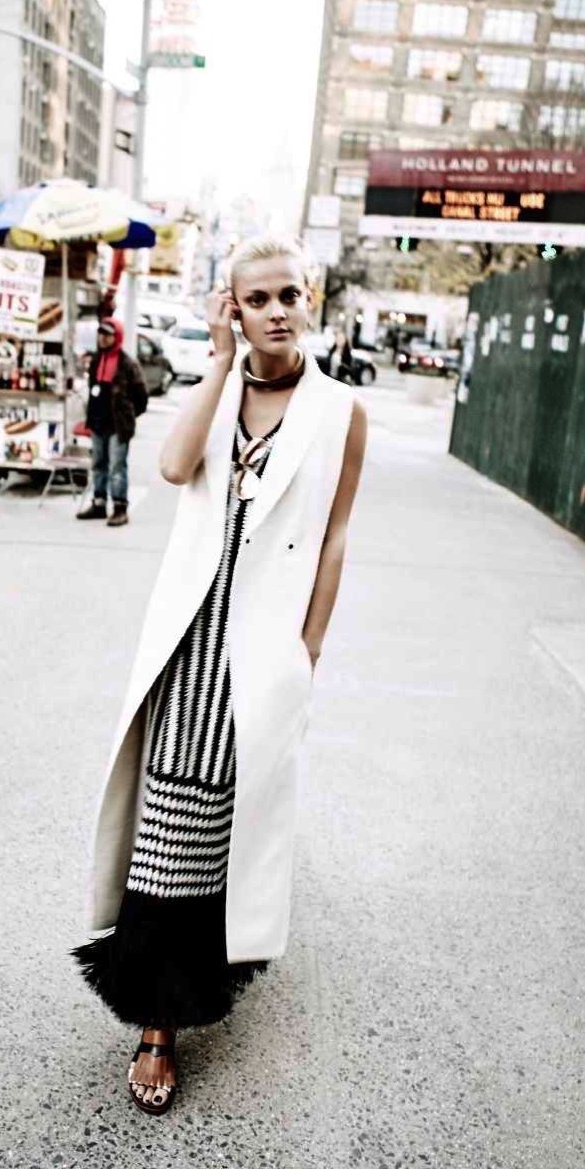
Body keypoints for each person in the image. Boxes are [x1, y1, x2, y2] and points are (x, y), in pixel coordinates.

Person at [71, 234, 368, 1114]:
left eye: (288, 295)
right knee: (169, 823)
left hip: (263, 652)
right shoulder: (221, 385)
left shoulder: (340, 412)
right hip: (187, 645)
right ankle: (156, 1025)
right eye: (256, 298)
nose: (276, 311)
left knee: (224, 826)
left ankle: (199, 974)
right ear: (232, 308)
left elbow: (334, 538)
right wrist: (219, 360)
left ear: (308, 298)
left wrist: (308, 651)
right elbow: (171, 466)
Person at [76, 316, 148, 528]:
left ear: (117, 337)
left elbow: (141, 397)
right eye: (101, 333)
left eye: (108, 334)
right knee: (98, 464)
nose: (103, 338)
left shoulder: (127, 363)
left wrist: (128, 416)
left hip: (118, 425)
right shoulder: (97, 359)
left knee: (117, 467)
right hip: (98, 422)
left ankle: (119, 507)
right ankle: (99, 503)